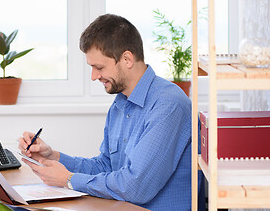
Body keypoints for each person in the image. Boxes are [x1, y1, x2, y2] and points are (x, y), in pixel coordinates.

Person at [18, 14, 195, 210]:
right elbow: (106, 167)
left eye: (99, 67)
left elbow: (135, 187)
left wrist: (68, 179)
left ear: (127, 59)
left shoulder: (168, 105)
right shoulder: (120, 104)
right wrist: (53, 156)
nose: (94, 77)